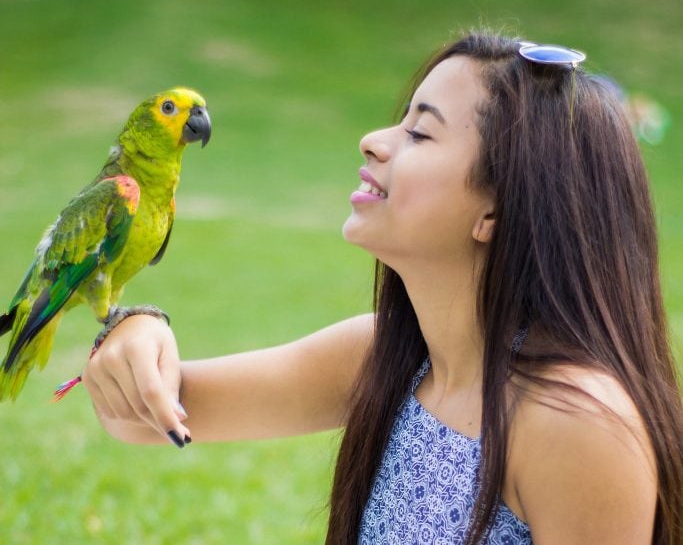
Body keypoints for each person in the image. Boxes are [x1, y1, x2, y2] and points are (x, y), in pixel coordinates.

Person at [82, 31, 683, 544]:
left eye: (420, 134)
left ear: (495, 212)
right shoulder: (393, 359)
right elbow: (137, 420)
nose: (373, 139)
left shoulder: (575, 422)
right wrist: (138, 326)